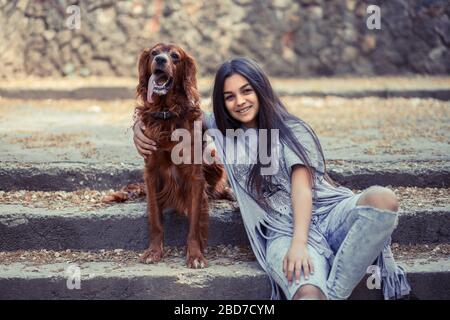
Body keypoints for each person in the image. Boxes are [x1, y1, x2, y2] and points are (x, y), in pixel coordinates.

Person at [133, 57, 411, 300]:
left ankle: (335, 294)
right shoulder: (221, 128)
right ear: (222, 102)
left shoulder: (293, 128)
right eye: (229, 96)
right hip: (279, 231)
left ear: (260, 89)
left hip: (327, 215)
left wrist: (300, 245)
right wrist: (136, 128)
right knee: (308, 294)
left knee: (383, 199)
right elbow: (171, 113)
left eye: (246, 91)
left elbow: (302, 190)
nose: (239, 101)